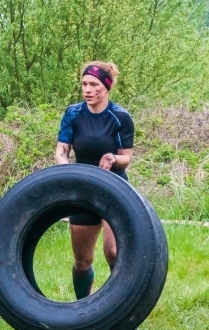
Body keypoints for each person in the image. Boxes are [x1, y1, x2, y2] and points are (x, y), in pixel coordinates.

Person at [55, 61, 135, 299]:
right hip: (83, 190)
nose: (88, 90)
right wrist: (67, 171)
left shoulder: (120, 117)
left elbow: (126, 158)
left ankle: (120, 307)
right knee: (82, 260)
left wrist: (112, 157)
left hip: (114, 188)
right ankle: (84, 309)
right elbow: (61, 151)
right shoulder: (73, 114)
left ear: (107, 87)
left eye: (94, 84)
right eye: (84, 84)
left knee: (113, 252)